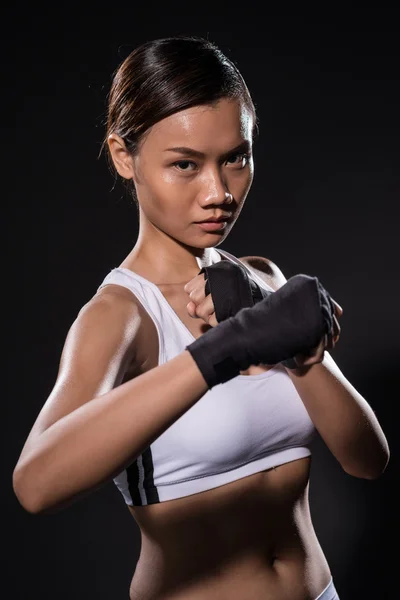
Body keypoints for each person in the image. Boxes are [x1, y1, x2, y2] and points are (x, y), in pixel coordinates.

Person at [12, 35, 390, 600]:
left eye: (235, 158)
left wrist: (297, 343)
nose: (218, 192)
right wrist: (224, 349)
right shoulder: (121, 315)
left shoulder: (262, 279)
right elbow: (36, 483)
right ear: (124, 157)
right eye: (185, 165)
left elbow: (368, 461)